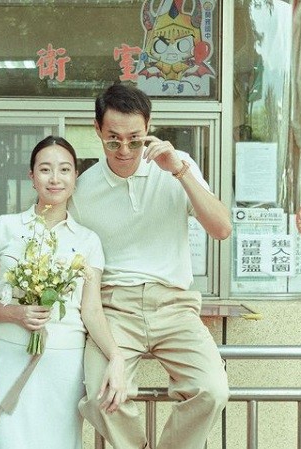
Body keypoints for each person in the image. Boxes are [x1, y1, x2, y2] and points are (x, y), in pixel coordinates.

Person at [68, 84, 232, 449]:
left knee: (212, 389)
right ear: (97, 129)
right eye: (113, 140)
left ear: (149, 127)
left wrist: (179, 171)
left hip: (174, 306)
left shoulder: (178, 165)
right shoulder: (82, 190)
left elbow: (222, 228)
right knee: (99, 395)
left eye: (135, 139)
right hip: (114, 309)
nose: (125, 150)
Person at [0, 135, 127, 449]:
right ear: (32, 176)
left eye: (64, 170)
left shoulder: (88, 240)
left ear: (75, 177)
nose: (55, 178)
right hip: (11, 354)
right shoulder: (5, 227)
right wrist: (13, 313)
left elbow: (92, 311)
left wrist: (116, 356)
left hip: (65, 361)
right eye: (45, 169)